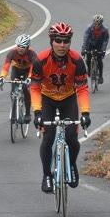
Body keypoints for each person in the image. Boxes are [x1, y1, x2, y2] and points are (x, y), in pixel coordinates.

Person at [31, 22, 91, 193]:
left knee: (72, 138)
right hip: (47, 99)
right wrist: (37, 112)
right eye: (58, 40)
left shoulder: (77, 60)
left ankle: (71, 164)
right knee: (48, 138)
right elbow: (34, 87)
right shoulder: (41, 60)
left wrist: (85, 112)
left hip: (68, 98)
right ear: (51, 41)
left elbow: (82, 88)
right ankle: (46, 175)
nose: (62, 45)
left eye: (66, 41)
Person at [0, 34, 37, 123]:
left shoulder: (32, 54)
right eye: (18, 46)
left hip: (28, 71)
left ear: (27, 47)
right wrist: (2, 77)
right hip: (16, 70)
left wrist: (30, 78)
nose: (20, 48)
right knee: (14, 90)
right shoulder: (12, 52)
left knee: (25, 88)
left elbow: (34, 67)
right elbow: (6, 66)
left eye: (23, 47)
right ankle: (14, 113)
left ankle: (27, 113)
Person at [81, 14, 109, 85]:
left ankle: (100, 76)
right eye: (95, 23)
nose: (96, 25)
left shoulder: (105, 30)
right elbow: (85, 39)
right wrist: (84, 49)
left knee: (99, 60)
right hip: (90, 45)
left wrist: (103, 50)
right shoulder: (89, 28)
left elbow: (105, 41)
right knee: (88, 58)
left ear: (101, 23)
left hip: (99, 45)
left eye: (98, 24)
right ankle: (89, 69)